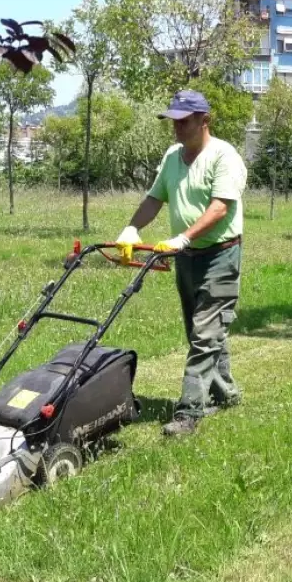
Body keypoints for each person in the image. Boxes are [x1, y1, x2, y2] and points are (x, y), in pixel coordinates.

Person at [116, 90, 248, 438]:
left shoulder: (224, 156)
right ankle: (227, 394)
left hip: (220, 255)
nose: (175, 126)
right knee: (201, 331)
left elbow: (220, 207)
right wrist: (132, 227)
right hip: (186, 259)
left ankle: (189, 413)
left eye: (182, 120)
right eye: (172, 120)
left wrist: (184, 236)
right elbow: (154, 199)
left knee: (206, 334)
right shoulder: (173, 157)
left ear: (204, 120)